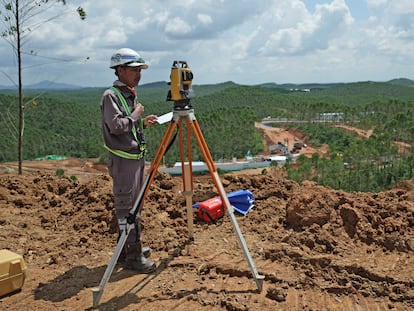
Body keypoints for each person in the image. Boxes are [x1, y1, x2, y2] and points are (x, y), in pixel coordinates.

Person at [100, 48, 158, 273]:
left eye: (139, 70)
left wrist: (142, 123)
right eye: (134, 70)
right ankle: (132, 257)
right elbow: (115, 127)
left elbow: (127, 129)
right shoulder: (110, 96)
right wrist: (136, 115)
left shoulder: (128, 94)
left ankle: (127, 250)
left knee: (135, 206)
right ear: (120, 70)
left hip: (134, 159)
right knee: (127, 208)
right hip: (123, 162)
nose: (138, 75)